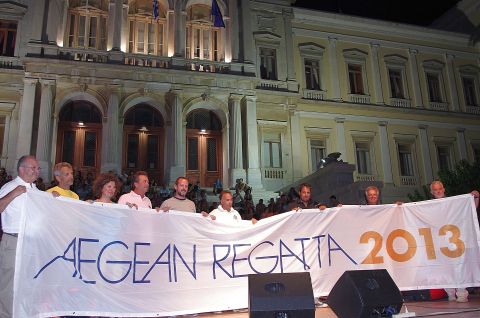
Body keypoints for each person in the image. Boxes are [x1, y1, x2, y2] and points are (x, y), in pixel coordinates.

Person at [0, 155, 41, 317]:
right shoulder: (10, 187)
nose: (37, 171)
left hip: (30, 242)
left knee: (27, 281)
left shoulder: (35, 190)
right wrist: (14, 194)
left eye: (38, 168)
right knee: (9, 283)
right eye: (34, 168)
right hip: (14, 240)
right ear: (22, 169)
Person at [430, 180, 479, 303]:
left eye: (440, 188)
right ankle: (451, 293)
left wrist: (476, 196)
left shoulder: (454, 203)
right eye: (435, 189)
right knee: (445, 269)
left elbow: (471, 208)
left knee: (460, 267)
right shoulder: (428, 206)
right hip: (440, 244)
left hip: (456, 242)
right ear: (432, 192)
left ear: (444, 189)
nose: (438, 191)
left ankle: (462, 293)